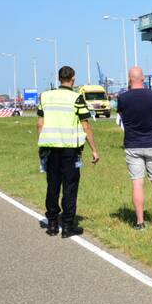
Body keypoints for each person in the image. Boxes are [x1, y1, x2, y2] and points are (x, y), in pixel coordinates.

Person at [37, 65, 99, 238]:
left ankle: (52, 224)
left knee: (53, 186)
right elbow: (85, 125)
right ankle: (67, 225)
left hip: (50, 148)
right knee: (70, 187)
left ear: (59, 78)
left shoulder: (45, 96)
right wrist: (94, 150)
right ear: (72, 79)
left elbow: (40, 123)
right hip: (70, 150)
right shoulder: (77, 97)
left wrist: (41, 145)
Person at [118, 67, 152, 230]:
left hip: (133, 144)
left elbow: (122, 115)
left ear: (129, 78)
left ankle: (140, 222)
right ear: (143, 78)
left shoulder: (123, 98)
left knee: (137, 183)